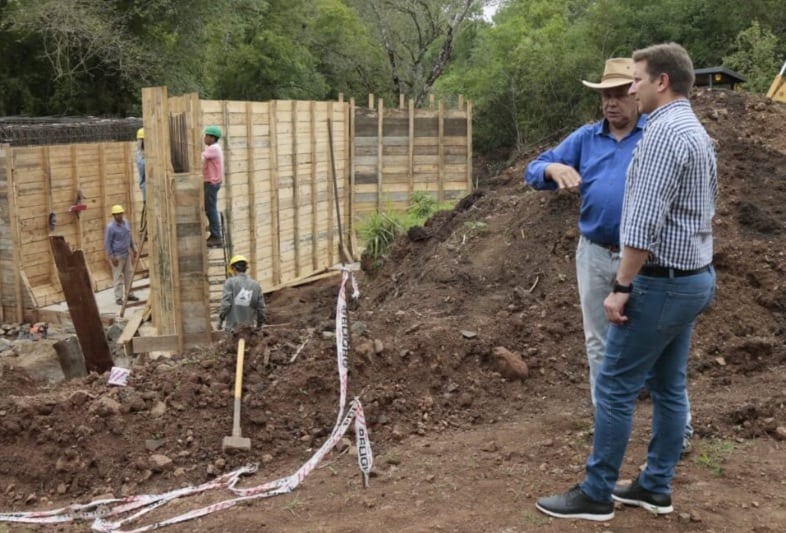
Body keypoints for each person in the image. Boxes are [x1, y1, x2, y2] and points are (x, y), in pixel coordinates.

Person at [535, 42, 717, 522]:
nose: (627, 92)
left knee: (614, 386)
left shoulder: (659, 136)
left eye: (634, 81)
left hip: (656, 279)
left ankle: (596, 493)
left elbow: (643, 223)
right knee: (669, 384)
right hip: (692, 276)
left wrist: (623, 284)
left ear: (660, 82)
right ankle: (654, 487)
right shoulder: (694, 130)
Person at [525, 57, 693, 451]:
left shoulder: (659, 134)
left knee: (657, 346)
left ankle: (677, 431)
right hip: (595, 254)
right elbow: (535, 167)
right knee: (599, 343)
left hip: (647, 258)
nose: (612, 103)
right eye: (606, 95)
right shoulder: (586, 138)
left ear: (637, 94)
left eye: (620, 93)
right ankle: (609, 427)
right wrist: (552, 171)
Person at [219, 255, 265, 333]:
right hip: (249, 331)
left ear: (233, 268)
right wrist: (259, 326)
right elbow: (261, 308)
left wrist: (220, 321)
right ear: (245, 269)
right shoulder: (256, 285)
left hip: (232, 331)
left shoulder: (230, 283)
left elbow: (226, 305)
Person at [104, 204, 139, 306]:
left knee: (129, 275)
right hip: (117, 256)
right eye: (117, 214)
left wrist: (134, 249)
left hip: (126, 254)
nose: (119, 215)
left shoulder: (126, 223)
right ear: (114, 215)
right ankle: (119, 298)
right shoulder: (110, 228)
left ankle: (130, 294)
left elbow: (130, 236)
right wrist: (111, 256)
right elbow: (107, 243)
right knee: (118, 277)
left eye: (120, 213)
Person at [202, 125, 224, 248]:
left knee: (211, 209)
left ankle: (216, 235)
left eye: (206, 136)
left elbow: (200, 159)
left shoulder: (213, 149)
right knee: (209, 208)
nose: (205, 138)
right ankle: (214, 233)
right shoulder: (215, 148)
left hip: (212, 183)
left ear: (212, 137)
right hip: (212, 182)